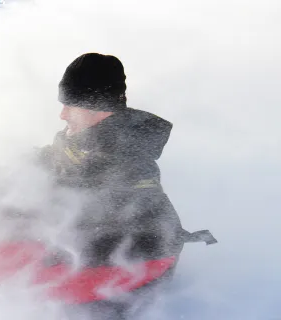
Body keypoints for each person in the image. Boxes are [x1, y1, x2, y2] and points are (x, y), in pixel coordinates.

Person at [36, 53, 216, 319]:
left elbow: (124, 222)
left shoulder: (126, 162)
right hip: (90, 267)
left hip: (122, 280)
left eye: (70, 106)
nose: (62, 115)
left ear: (97, 107)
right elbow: (55, 160)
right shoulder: (85, 140)